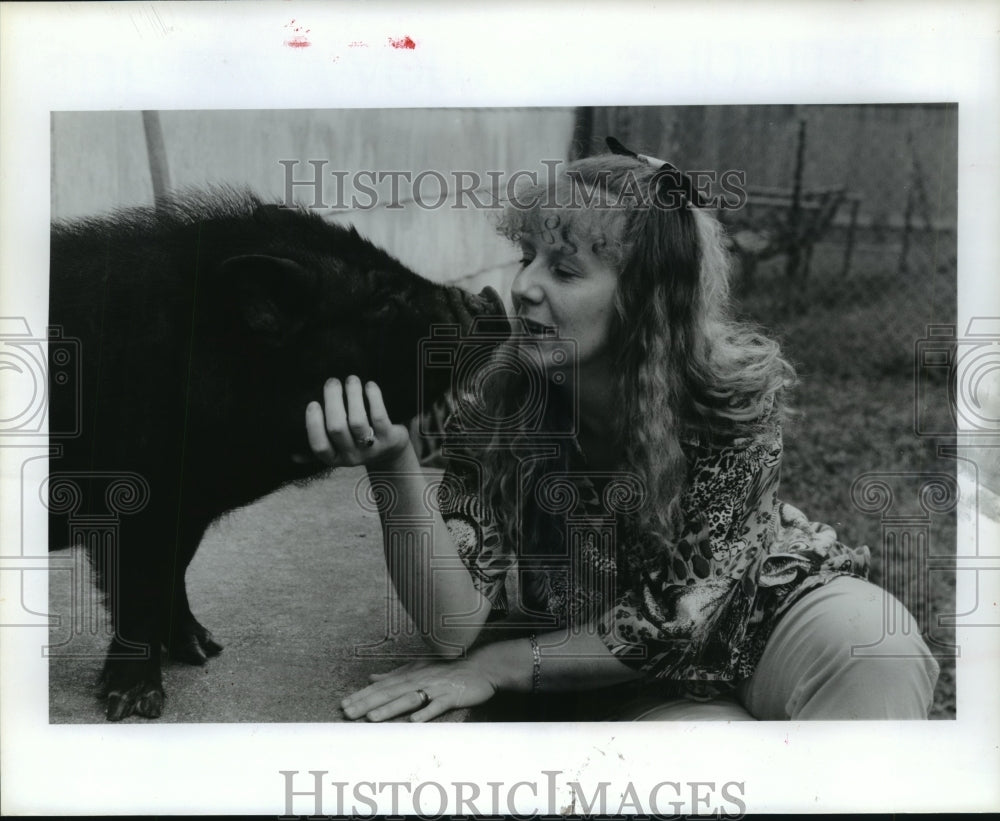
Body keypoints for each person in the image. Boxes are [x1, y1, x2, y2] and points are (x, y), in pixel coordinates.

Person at [304, 145, 940, 722]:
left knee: (875, 645)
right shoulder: (499, 404)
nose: (521, 286)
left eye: (565, 270)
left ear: (645, 299)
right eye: (527, 257)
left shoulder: (730, 404)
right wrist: (393, 466)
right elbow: (451, 625)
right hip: (621, 670)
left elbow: (684, 613)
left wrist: (495, 667)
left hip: (765, 620)